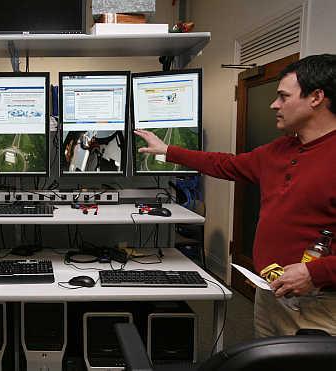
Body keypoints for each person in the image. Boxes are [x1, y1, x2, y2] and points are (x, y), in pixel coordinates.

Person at [134, 54, 336, 338]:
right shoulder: (280, 150)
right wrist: (168, 151)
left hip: (319, 304)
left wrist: (315, 274)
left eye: (283, 96)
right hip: (271, 295)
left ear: (316, 97)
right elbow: (226, 164)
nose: (273, 104)